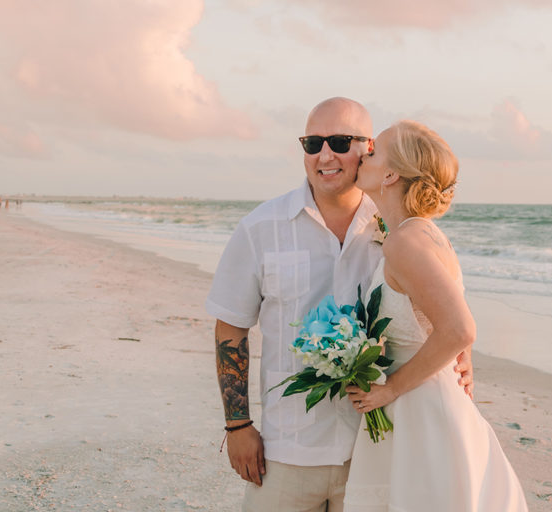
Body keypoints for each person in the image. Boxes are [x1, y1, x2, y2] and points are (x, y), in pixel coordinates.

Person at [205, 98, 474, 512]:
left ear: (368, 150)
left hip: (376, 447)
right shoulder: (260, 228)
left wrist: (462, 354)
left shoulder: (396, 228)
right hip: (288, 450)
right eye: (312, 143)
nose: (324, 155)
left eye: (339, 141)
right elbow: (231, 327)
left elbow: (441, 306)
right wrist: (237, 424)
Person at [343, 120, 528, 511]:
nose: (364, 153)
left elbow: (460, 329)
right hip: (423, 408)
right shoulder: (419, 234)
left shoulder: (406, 241)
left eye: (374, 152)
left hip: (424, 415)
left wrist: (391, 389)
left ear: (391, 174)